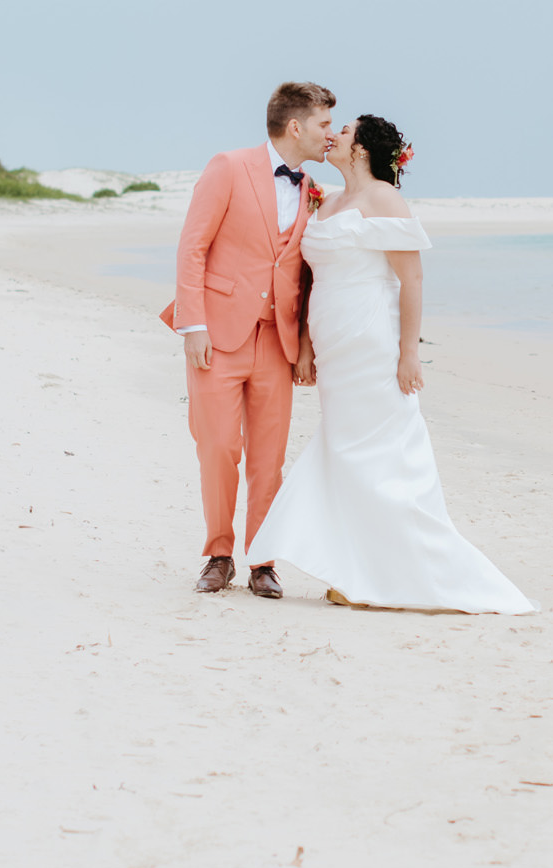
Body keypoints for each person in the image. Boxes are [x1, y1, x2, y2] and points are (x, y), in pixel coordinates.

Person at [249, 115, 533, 614]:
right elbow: (313, 280)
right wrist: (307, 346)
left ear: (361, 149)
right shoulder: (327, 201)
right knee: (345, 456)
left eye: (344, 131)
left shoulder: (384, 199)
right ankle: (356, 571)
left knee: (380, 457)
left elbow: (412, 279)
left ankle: (397, 572)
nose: (333, 135)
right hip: (334, 348)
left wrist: (408, 353)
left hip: (372, 345)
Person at [161, 82, 335, 598]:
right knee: (217, 447)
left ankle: (263, 561)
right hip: (217, 335)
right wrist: (193, 325)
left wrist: (304, 346)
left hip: (277, 342)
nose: (330, 134)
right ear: (296, 126)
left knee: (268, 457)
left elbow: (305, 273)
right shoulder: (229, 167)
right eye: (324, 124)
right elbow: (193, 247)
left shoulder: (313, 188)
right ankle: (219, 555)